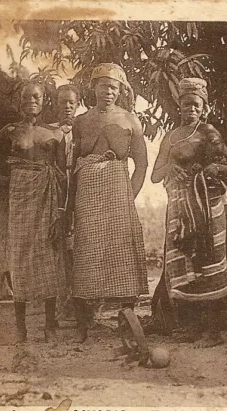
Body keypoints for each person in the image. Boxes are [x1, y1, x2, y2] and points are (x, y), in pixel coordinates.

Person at [151, 77, 227, 348]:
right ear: (179, 106)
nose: (190, 109)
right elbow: (155, 175)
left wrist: (215, 170)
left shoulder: (209, 132)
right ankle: (191, 326)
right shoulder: (171, 137)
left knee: (208, 261)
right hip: (179, 207)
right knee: (183, 261)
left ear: (204, 108)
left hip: (206, 206)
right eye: (186, 104)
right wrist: (171, 169)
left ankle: (212, 330)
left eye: (196, 105)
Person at [0, 82, 67, 344]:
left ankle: (50, 324)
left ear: (44, 101)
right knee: (20, 256)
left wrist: (61, 211)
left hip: (47, 197)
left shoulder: (55, 134)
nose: (32, 101)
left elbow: (62, 177)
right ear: (20, 101)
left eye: (37, 97)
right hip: (19, 196)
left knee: (47, 256)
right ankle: (21, 327)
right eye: (27, 97)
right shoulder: (10, 131)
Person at [67, 63, 149, 343]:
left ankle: (127, 319)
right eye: (103, 86)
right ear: (94, 88)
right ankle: (83, 323)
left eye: (113, 87)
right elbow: (73, 163)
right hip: (87, 186)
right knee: (87, 248)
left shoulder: (129, 120)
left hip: (118, 187)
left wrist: (130, 195)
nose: (108, 91)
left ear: (121, 90)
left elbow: (141, 163)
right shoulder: (81, 121)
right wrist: (70, 203)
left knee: (121, 249)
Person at [49, 84, 80, 325]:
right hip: (55, 188)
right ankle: (60, 307)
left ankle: (82, 307)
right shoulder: (49, 131)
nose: (67, 107)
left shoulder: (84, 127)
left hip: (80, 188)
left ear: (78, 104)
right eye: (62, 103)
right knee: (58, 247)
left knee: (79, 247)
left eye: (71, 102)